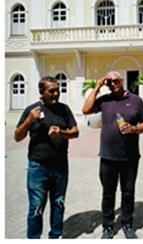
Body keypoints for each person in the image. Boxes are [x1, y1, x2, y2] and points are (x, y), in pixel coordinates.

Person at [82, 71, 143, 239]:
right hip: (107, 156)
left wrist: (134, 129)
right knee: (108, 193)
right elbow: (86, 109)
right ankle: (108, 226)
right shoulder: (105, 100)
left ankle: (127, 224)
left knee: (128, 193)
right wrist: (98, 86)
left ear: (122, 81)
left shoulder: (135, 100)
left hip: (130, 157)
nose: (112, 84)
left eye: (115, 81)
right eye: (109, 82)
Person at [14, 76, 79, 239]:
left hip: (60, 166)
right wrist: (29, 120)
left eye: (58, 90)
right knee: (36, 207)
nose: (56, 93)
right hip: (38, 167)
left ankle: (55, 237)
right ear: (41, 92)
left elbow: (76, 132)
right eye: (52, 91)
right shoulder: (32, 110)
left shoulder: (64, 109)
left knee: (58, 204)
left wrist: (62, 133)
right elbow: (17, 136)